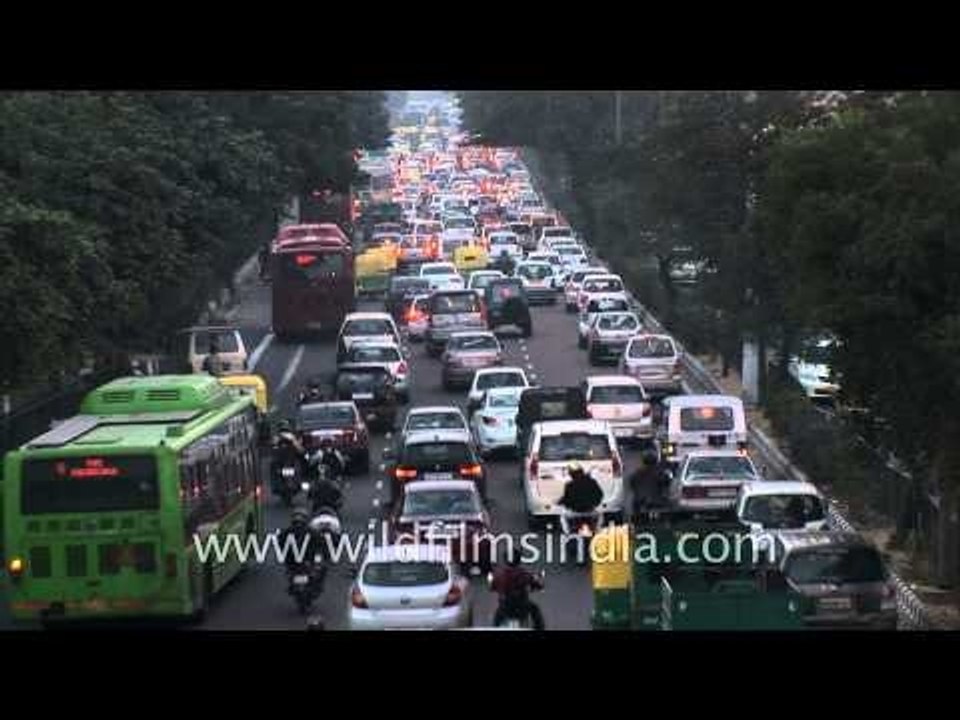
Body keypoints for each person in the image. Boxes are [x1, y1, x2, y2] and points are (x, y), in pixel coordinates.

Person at [490, 548, 545, 630]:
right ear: (518, 560)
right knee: (535, 610)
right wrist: (538, 586)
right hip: (522, 608)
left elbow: (492, 587)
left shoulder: (498, 575)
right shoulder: (524, 574)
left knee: (496, 621)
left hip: (505, 608)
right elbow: (537, 584)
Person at [629, 449, 668, 518]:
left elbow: (632, 484)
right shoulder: (659, 472)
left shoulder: (637, 473)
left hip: (641, 501)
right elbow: (665, 483)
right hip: (656, 501)